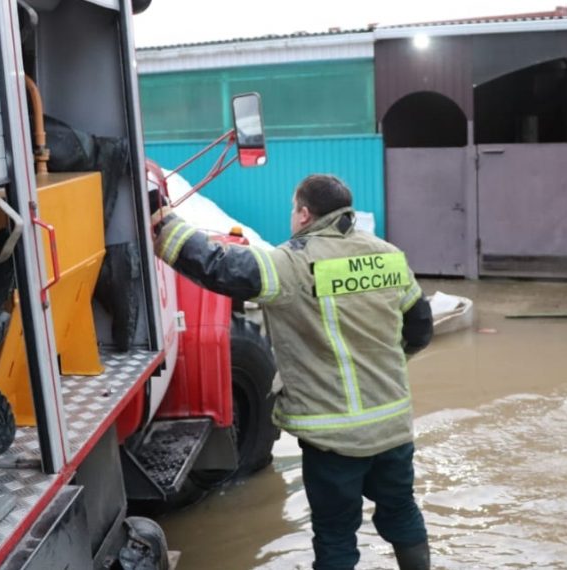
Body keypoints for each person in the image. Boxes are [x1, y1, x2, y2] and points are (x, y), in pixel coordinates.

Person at [151, 174, 434, 570]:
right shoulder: (389, 255)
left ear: (303, 213)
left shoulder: (295, 262)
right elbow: (420, 329)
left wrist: (163, 226)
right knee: (402, 511)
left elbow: (221, 268)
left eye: (291, 209)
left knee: (336, 535)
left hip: (334, 439)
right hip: (393, 428)